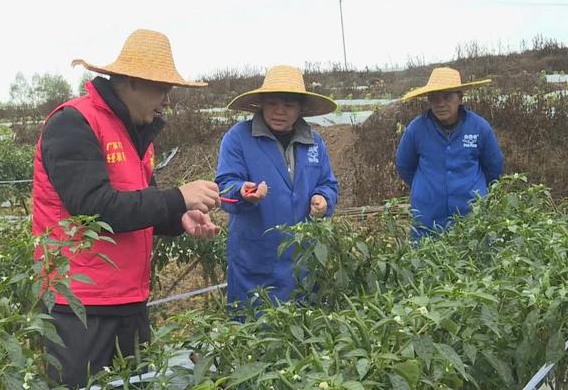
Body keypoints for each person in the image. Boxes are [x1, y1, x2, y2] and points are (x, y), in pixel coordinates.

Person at [32, 29, 221, 388]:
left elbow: (137, 208)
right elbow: (94, 208)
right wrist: (178, 196)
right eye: (162, 89)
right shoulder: (74, 123)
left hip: (129, 299)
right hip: (80, 306)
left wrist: (178, 218)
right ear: (132, 82)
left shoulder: (134, 133)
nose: (168, 100)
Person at [215, 65, 338, 307]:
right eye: (272, 103)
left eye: (289, 105)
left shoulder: (314, 142)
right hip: (256, 261)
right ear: (261, 104)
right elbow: (225, 187)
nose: (279, 111)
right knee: (255, 331)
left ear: (300, 108)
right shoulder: (238, 138)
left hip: (305, 262)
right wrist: (244, 192)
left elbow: (328, 183)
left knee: (304, 333)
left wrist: (323, 199)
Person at [396, 67, 503, 238]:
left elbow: (494, 170)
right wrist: (426, 188)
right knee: (426, 262)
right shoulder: (416, 129)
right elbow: (404, 166)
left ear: (460, 98)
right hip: (427, 223)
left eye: (447, 97)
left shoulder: (480, 128)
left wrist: (472, 191)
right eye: (434, 98)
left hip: (471, 223)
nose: (440, 104)